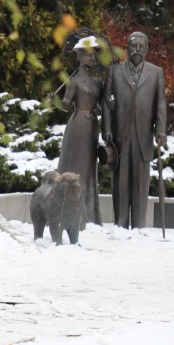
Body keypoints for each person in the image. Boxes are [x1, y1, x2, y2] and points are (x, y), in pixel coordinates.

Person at [102, 32, 167, 229]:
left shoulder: (156, 73)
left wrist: (161, 130)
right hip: (120, 136)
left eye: (141, 46)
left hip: (144, 136)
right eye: (133, 46)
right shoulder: (115, 71)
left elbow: (161, 104)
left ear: (147, 49)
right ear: (127, 48)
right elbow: (106, 102)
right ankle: (120, 224)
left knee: (141, 182)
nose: (137, 50)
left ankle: (139, 225)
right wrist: (106, 128)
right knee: (120, 181)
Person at [56, 35, 103, 229]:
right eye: (89, 55)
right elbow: (66, 105)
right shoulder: (74, 81)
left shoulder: (98, 81)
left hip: (92, 126)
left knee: (89, 169)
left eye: (94, 55)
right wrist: (55, 101)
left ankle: (88, 214)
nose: (93, 58)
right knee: (73, 165)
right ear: (81, 57)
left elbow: (100, 107)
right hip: (76, 126)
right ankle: (66, 211)